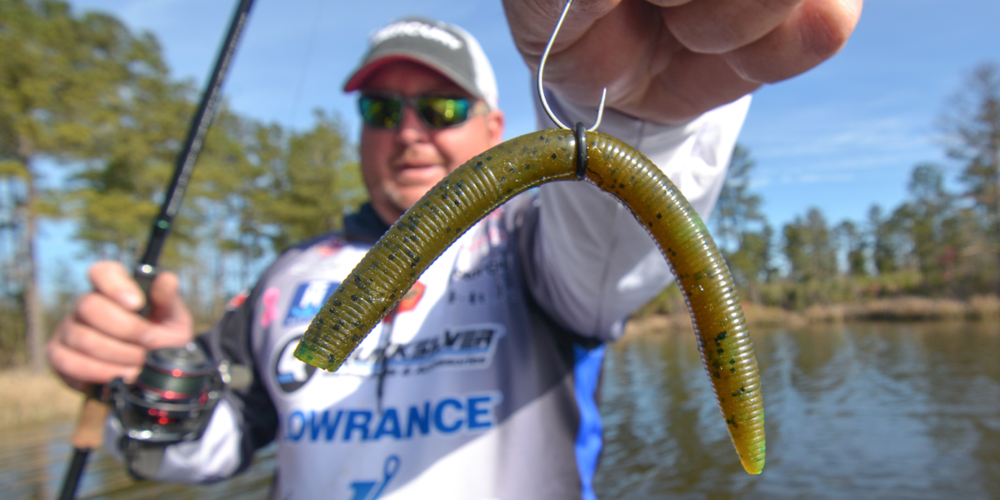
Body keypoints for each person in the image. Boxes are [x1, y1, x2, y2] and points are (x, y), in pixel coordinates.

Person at [47, 1, 863, 498]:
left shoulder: (537, 252)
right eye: (380, 110)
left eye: (440, 107)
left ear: (494, 129)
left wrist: (633, 110)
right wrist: (155, 396)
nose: (407, 131)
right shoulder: (281, 282)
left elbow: (614, 241)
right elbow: (212, 443)